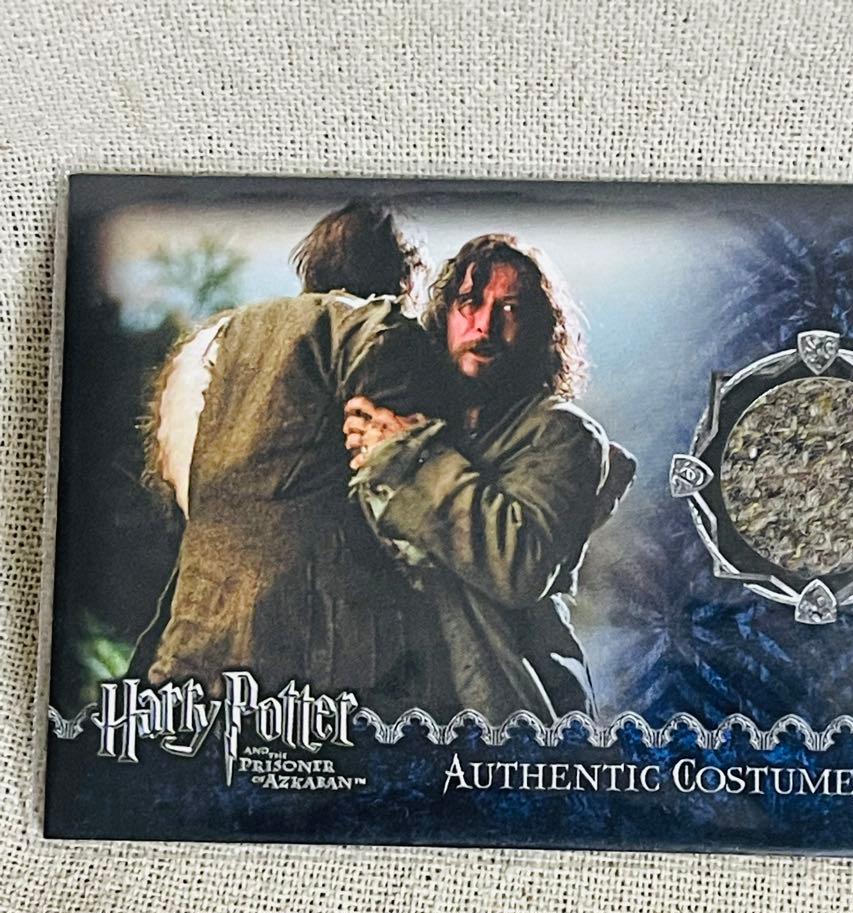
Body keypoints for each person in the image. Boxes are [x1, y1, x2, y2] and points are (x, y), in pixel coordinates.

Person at [130, 199, 457, 701]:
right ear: (406, 274)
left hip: (195, 640)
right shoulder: (377, 331)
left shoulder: (214, 338)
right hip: (322, 660)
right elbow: (408, 509)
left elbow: (180, 481)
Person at [345, 234, 636, 722]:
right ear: (445, 316)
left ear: (539, 329)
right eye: (469, 303)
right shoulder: (418, 419)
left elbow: (519, 567)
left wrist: (411, 458)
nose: (484, 325)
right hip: (407, 701)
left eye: (510, 309)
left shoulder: (564, 434)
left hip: (517, 706)